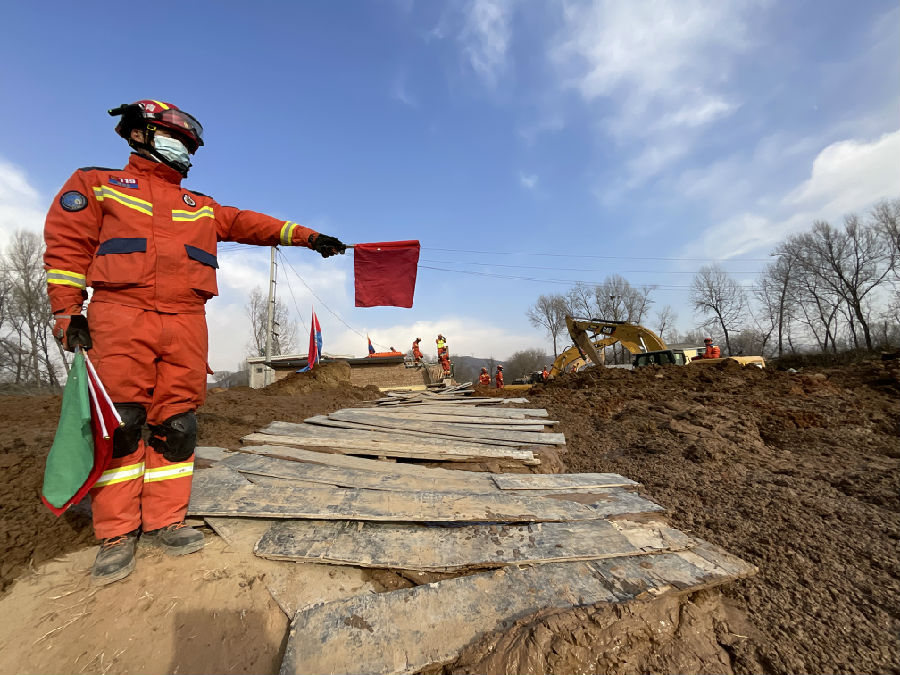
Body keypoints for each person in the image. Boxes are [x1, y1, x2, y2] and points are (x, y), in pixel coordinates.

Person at [43, 100, 347, 586]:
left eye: (188, 143)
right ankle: (117, 533)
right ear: (139, 134)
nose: (183, 149)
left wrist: (309, 238)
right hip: (120, 315)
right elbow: (66, 247)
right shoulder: (96, 183)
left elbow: (250, 223)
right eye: (174, 138)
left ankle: (166, 520)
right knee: (123, 424)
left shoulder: (200, 206)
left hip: (186, 320)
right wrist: (67, 311)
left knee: (179, 425)